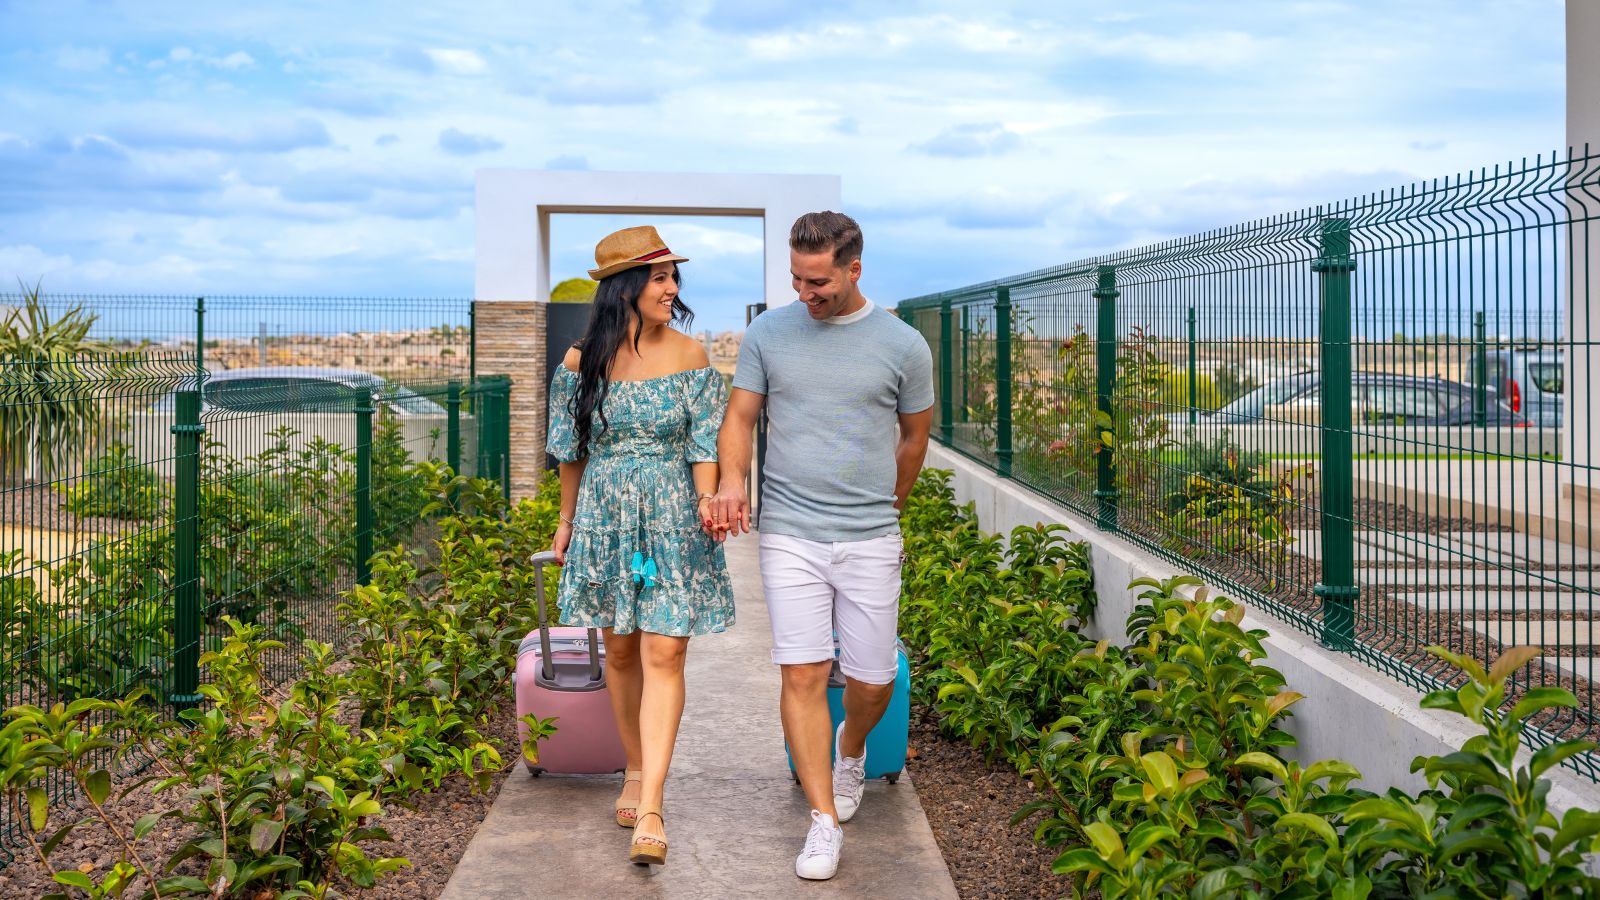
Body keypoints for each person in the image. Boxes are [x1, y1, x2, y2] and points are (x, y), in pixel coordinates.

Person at [711, 211, 933, 881]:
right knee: (802, 673)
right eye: (797, 280)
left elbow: (914, 438)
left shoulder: (904, 346)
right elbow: (741, 418)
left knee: (873, 679)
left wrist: (888, 505)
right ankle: (822, 822)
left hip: (869, 534)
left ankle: (853, 748)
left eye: (818, 282)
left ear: (853, 269)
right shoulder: (768, 333)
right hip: (790, 535)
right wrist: (730, 482)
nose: (805, 293)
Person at [546, 225, 735, 867]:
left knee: (665, 650)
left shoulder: (691, 355)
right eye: (660, 278)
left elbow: (704, 443)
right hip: (604, 516)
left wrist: (708, 501)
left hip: (673, 518)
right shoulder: (579, 363)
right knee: (620, 650)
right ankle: (633, 766)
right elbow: (570, 454)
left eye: (674, 278)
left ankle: (651, 803)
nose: (672, 288)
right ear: (625, 288)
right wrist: (566, 524)